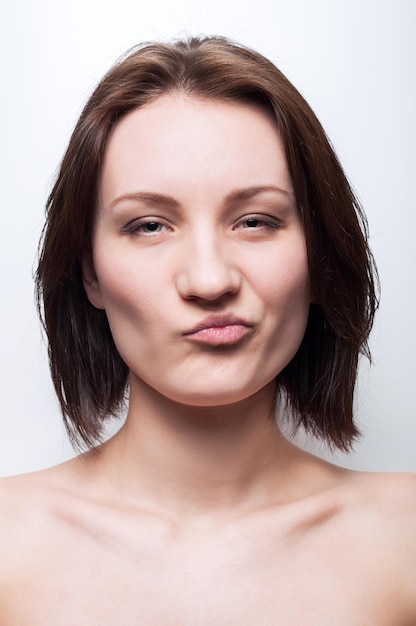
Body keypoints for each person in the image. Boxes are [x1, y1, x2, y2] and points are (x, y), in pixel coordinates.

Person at [1, 35, 415, 625]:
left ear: (319, 253)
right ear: (89, 271)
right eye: (148, 226)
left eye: (255, 221)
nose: (209, 279)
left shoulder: (405, 543)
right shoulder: (8, 551)